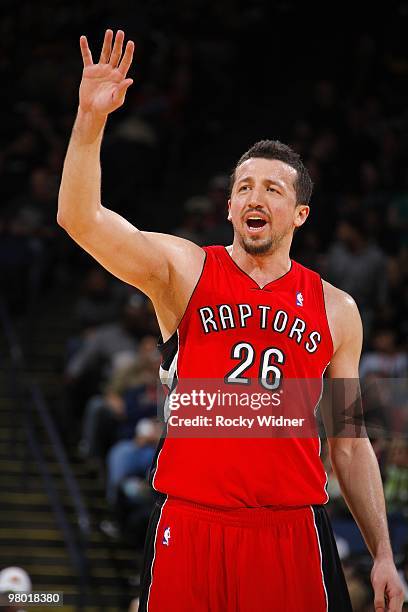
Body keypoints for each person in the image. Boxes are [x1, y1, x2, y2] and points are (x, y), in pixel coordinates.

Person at [57, 29, 404, 612]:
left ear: (299, 213)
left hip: (291, 528)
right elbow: (79, 218)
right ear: (229, 206)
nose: (254, 196)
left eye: (271, 188)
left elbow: (348, 439)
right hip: (190, 520)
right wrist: (91, 120)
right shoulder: (185, 271)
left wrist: (385, 555)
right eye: (244, 186)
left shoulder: (337, 308)